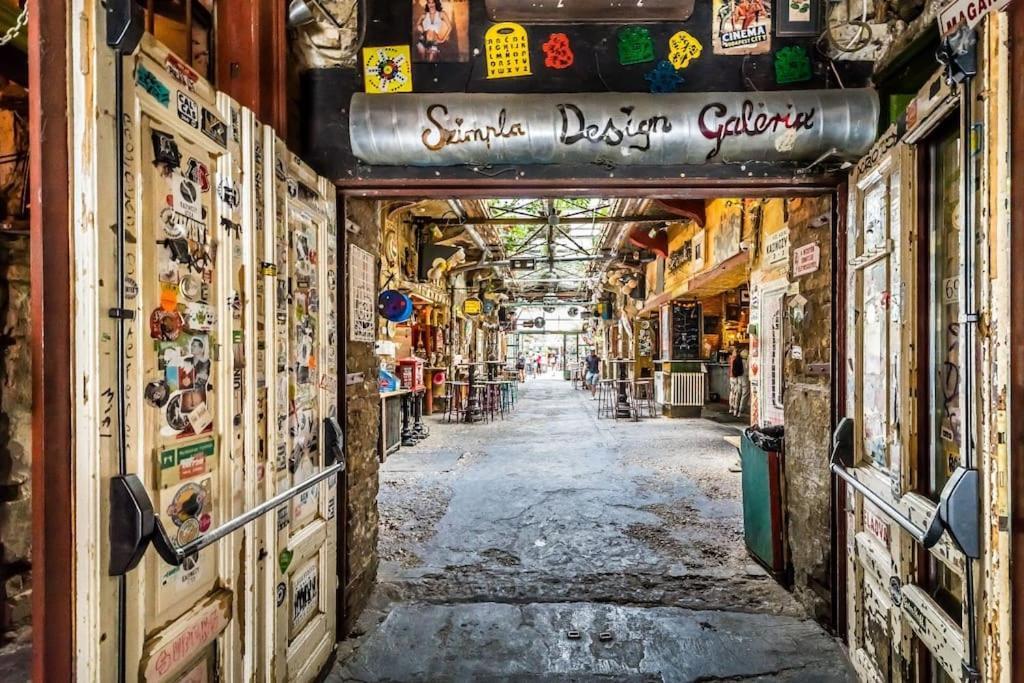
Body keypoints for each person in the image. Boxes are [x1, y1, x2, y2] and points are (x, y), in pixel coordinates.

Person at [728, 346, 749, 417]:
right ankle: (740, 411)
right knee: (744, 395)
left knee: (738, 394)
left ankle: (735, 410)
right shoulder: (746, 362)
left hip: (738, 378)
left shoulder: (736, 360)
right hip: (745, 379)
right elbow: (748, 371)